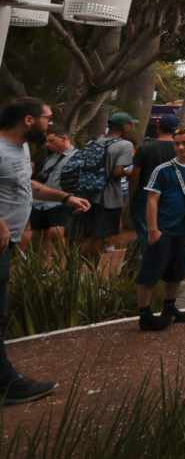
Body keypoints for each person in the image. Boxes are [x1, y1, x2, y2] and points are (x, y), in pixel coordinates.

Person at [0, 98, 91, 404]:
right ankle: (6, 384)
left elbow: (29, 186)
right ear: (28, 119)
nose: (49, 125)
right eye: (47, 119)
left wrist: (65, 198)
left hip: (8, 243)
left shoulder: (22, 148)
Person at [136, 128, 185, 331]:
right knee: (150, 271)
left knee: (177, 272)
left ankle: (169, 308)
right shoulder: (163, 169)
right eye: (177, 143)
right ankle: (145, 313)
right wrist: (152, 229)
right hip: (163, 229)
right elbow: (152, 199)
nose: (181, 147)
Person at [72, 111, 136, 258]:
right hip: (109, 199)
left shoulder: (93, 142)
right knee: (100, 237)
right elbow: (118, 172)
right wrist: (132, 170)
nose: (132, 127)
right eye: (130, 124)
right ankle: (83, 268)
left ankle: (77, 264)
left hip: (88, 195)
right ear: (124, 126)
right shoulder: (125, 145)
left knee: (87, 234)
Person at [24, 125, 75, 251]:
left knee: (56, 233)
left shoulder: (78, 156)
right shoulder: (49, 158)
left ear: (64, 138)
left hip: (60, 201)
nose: (48, 145)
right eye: (47, 141)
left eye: (52, 141)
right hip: (41, 202)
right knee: (38, 236)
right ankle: (44, 267)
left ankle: (62, 267)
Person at [130, 114, 177, 248]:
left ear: (158, 127)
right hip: (170, 196)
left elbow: (135, 175)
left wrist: (133, 194)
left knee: (145, 232)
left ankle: (143, 261)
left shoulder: (146, 148)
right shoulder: (179, 149)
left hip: (145, 194)